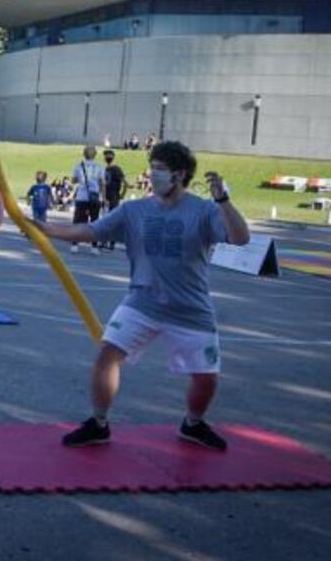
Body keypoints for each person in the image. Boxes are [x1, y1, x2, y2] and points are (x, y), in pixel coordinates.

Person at [35, 141, 250, 452]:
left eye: (160, 169)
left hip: (191, 308)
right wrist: (48, 230)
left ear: (180, 174)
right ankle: (98, 423)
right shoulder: (134, 210)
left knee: (206, 377)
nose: (153, 174)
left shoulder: (204, 210)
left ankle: (193, 423)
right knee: (107, 357)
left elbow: (241, 238)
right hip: (143, 302)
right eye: (152, 167)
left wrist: (224, 201)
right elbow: (92, 231)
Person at [70, 145, 104, 255]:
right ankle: (94, 246)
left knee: (78, 221)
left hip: (81, 196)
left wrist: (80, 179)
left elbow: (74, 180)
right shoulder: (99, 167)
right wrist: (104, 197)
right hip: (94, 196)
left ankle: (75, 244)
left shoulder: (78, 166)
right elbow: (102, 183)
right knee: (95, 221)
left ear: (84, 154)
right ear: (95, 155)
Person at [102, 149, 127, 250]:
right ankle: (104, 241)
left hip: (114, 198)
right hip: (106, 198)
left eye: (109, 155)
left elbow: (125, 183)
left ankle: (111, 243)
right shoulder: (105, 169)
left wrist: (122, 195)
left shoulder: (116, 169)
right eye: (106, 155)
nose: (107, 157)